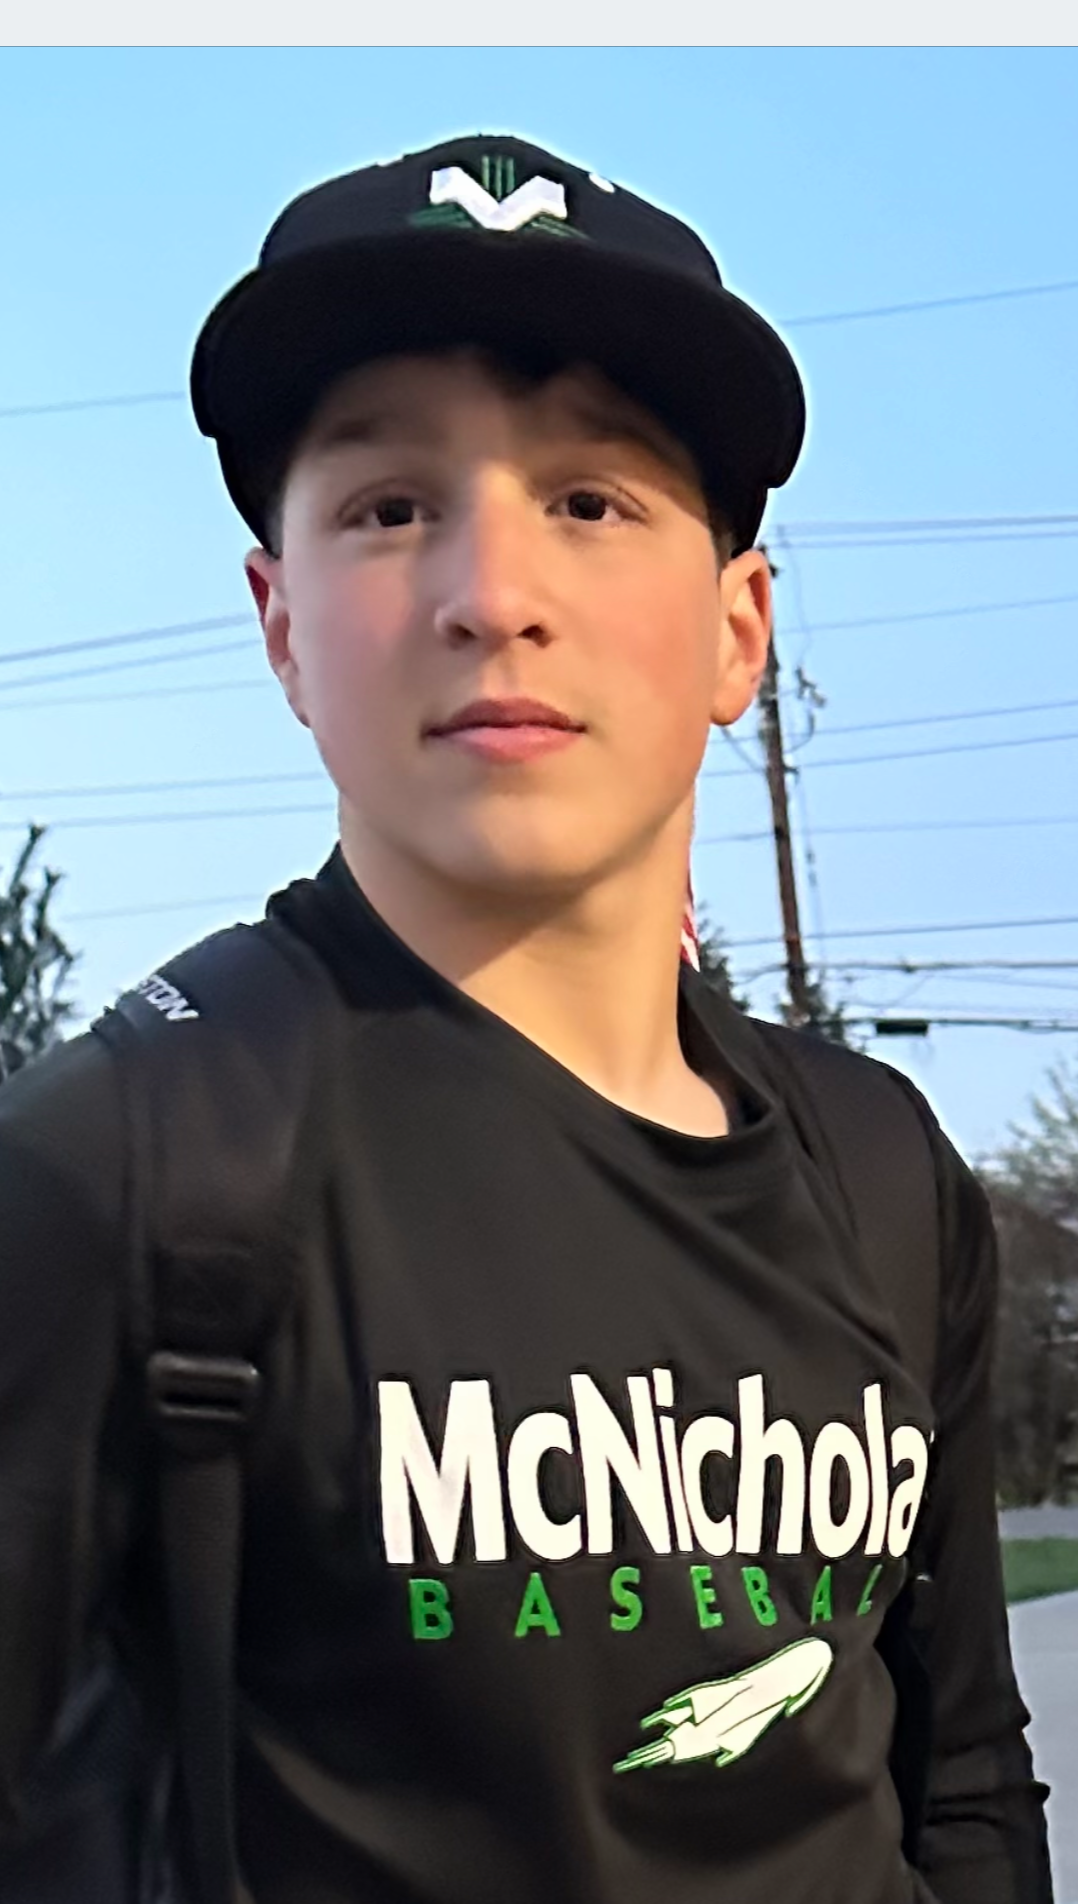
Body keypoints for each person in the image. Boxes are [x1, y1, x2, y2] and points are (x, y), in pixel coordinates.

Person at [0, 135, 1052, 1904]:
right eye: (387, 507)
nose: (491, 594)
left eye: (590, 499)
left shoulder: (882, 1174)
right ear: (280, 623)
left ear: (738, 631)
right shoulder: (121, 1168)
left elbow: (956, 1772)